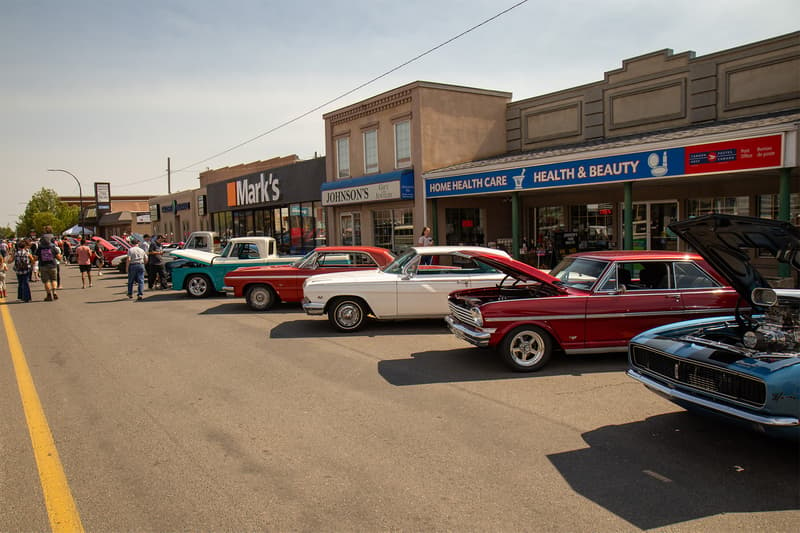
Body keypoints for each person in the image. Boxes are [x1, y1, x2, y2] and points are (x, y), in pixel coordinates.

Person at [35, 236, 62, 301]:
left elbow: (35, 258)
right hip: (53, 265)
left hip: (43, 266)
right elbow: (59, 258)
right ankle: (54, 292)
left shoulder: (39, 249)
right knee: (54, 280)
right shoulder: (53, 248)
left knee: (46, 281)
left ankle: (49, 294)